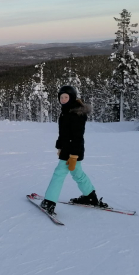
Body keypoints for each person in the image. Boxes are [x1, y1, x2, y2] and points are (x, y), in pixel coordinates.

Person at [40, 85, 106, 215]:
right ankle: (90, 196)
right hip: (68, 148)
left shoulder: (75, 114)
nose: (63, 99)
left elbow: (77, 136)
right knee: (77, 173)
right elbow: (63, 133)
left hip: (72, 149)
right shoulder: (66, 111)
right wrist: (59, 146)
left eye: (66, 97)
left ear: (72, 98)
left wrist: (74, 155)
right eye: (61, 97)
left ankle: (49, 202)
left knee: (59, 173)